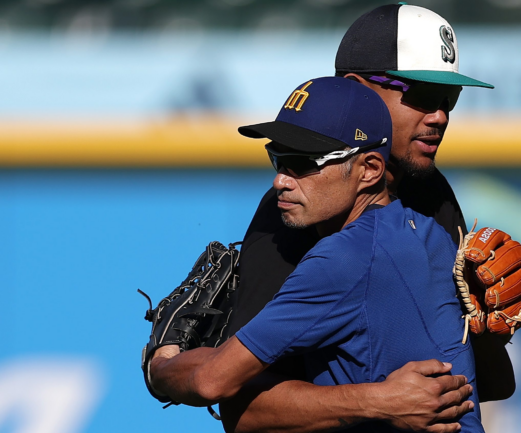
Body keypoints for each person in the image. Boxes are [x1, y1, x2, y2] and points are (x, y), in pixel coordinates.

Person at [219, 4, 515, 433]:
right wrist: (377, 403)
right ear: (359, 89)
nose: (440, 116)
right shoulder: (296, 210)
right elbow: (240, 408)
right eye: (422, 95)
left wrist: (490, 327)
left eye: (449, 99)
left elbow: (484, 382)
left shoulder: (433, 194)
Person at [149, 76, 484, 433]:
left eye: (305, 162)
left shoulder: (342, 260)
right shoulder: (434, 236)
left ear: (369, 170)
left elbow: (210, 383)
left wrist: (164, 362)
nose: (282, 180)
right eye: (278, 158)